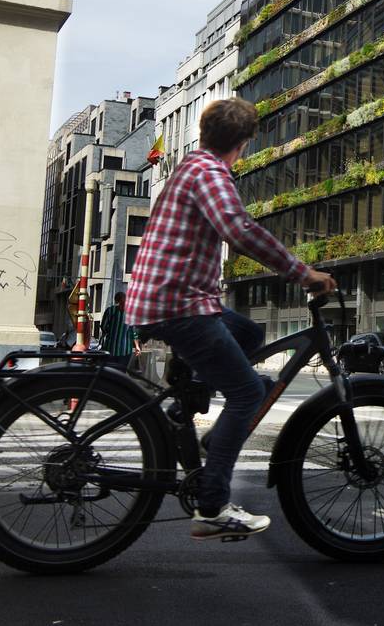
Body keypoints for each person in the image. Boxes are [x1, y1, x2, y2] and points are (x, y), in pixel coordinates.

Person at [125, 98, 336, 542]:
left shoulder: (190, 165)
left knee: (249, 332)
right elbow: (238, 230)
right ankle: (213, 506)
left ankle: (193, 410)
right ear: (242, 143)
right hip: (177, 303)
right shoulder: (211, 173)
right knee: (245, 395)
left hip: (175, 297)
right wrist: (304, 272)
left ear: (203, 133)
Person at [98, 291, 141, 369]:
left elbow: (103, 327)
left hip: (111, 349)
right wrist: (137, 346)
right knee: (120, 374)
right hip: (125, 351)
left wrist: (111, 332)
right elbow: (133, 332)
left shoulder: (110, 311)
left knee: (110, 373)